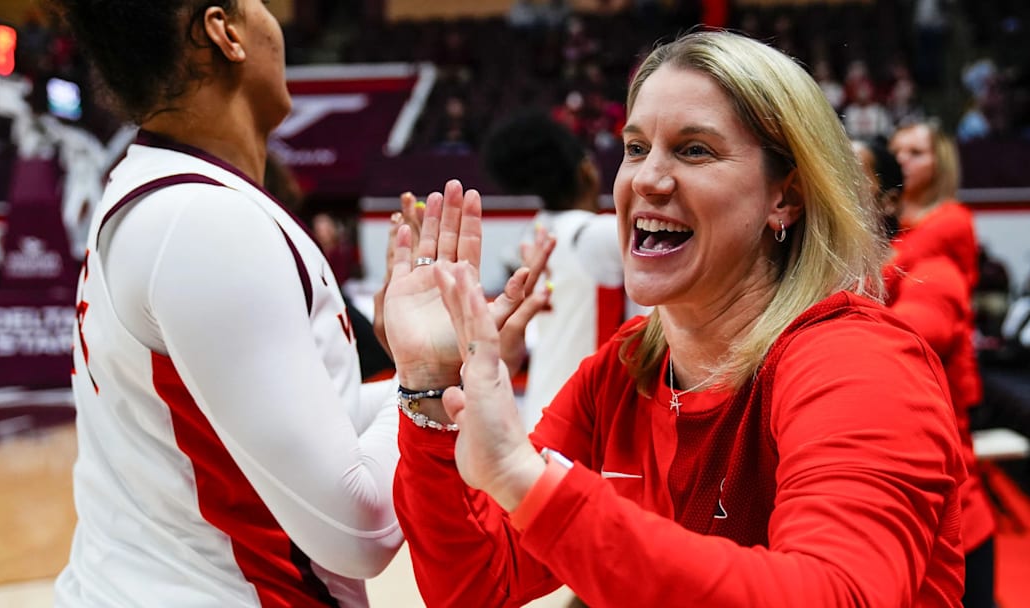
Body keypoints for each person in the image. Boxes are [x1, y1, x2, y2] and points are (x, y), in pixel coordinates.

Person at [383, 31, 965, 607]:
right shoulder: (626, 368)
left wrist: (531, 486)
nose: (646, 180)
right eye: (636, 148)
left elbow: (835, 595)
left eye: (694, 150)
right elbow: (477, 583)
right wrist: (431, 383)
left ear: (784, 198)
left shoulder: (854, 362)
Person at [49, 2, 406, 606]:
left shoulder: (165, 194)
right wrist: (426, 383)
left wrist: (462, 372)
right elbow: (358, 531)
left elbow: (304, 422)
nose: (275, 23)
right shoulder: (202, 222)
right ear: (224, 31)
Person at [857, 138, 996, 608]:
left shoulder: (935, 258)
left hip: (945, 520)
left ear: (887, 197)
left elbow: (902, 339)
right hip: (875, 525)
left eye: (854, 174)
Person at [483, 110, 630, 430]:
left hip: (541, 405)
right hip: (582, 417)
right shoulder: (592, 235)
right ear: (587, 171)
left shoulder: (536, 231)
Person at [888, 120, 978, 292]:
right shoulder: (888, 218)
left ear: (940, 163)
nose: (900, 159)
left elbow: (891, 269)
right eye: (894, 152)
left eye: (916, 153)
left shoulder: (953, 219)